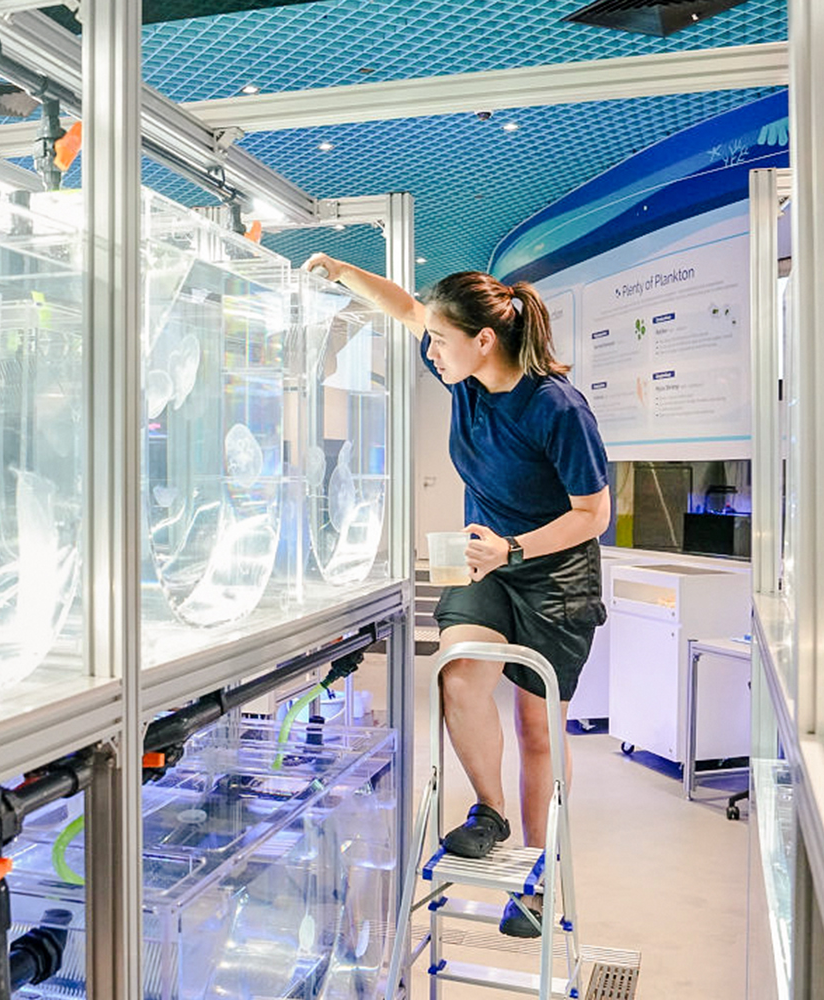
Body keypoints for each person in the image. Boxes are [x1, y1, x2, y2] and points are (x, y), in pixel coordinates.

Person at [305, 253, 610, 939]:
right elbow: (407, 307)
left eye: (441, 339)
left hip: (555, 575)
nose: (430, 349)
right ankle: (490, 813)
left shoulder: (556, 408)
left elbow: (593, 514)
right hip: (486, 567)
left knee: (538, 730)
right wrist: (339, 270)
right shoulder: (465, 377)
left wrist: (517, 547)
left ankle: (538, 876)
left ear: (483, 340)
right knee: (461, 673)